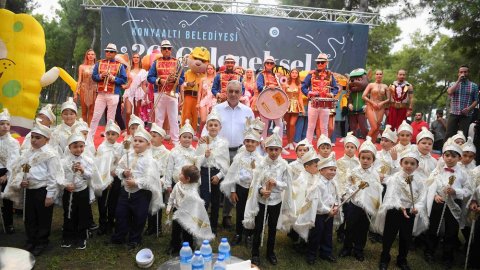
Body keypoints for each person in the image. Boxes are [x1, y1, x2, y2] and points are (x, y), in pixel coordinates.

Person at [3, 119, 64, 256]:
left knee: (43, 217)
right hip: (29, 189)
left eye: (38, 138)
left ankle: (42, 241)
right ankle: (31, 239)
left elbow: (53, 176)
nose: (34, 140)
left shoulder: (50, 155)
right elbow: (23, 169)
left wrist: (50, 195)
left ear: (46, 139)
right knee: (30, 216)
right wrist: (22, 181)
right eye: (32, 137)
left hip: (42, 190)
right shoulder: (28, 153)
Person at [205, 80, 254, 228]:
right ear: (226, 92)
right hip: (219, 152)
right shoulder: (217, 108)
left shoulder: (247, 111)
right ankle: (209, 215)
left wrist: (261, 142)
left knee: (233, 184)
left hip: (240, 151)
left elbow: (252, 131)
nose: (233, 94)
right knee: (214, 182)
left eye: (236, 92)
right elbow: (208, 126)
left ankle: (227, 215)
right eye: (230, 91)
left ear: (241, 93)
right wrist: (203, 139)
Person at [243, 127, 294, 266]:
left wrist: (276, 183)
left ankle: (270, 252)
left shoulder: (284, 166)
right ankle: (255, 253)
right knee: (258, 227)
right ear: (266, 149)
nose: (273, 152)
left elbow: (285, 185)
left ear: (280, 150)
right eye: (270, 149)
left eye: (276, 149)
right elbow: (256, 182)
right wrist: (261, 190)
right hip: (261, 201)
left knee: (272, 228)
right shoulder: (261, 163)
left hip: (275, 202)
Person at [110, 126, 163, 250]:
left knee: (139, 216)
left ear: (148, 144)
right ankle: (120, 235)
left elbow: (150, 179)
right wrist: (124, 173)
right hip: (125, 191)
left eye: (141, 141)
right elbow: (118, 169)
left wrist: (137, 182)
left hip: (141, 193)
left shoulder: (150, 161)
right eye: (135, 140)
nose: (137, 143)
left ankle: (135, 239)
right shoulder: (127, 156)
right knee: (121, 213)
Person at [374, 150, 429, 270]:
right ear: (401, 163)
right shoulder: (395, 178)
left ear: (417, 166)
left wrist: (417, 208)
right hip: (395, 210)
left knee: (406, 237)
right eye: (406, 163)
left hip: (410, 212)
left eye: (412, 163)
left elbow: (422, 197)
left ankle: (402, 259)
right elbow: (392, 194)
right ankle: (385, 257)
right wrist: (400, 206)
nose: (409, 166)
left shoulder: (420, 181)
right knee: (389, 235)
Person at [424, 138, 471, 268]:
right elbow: (428, 184)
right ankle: (429, 251)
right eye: (447, 155)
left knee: (451, 231)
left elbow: (468, 190)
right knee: (434, 227)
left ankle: (447, 256)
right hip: (438, 202)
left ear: (459, 158)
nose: (450, 159)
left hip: (454, 203)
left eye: (453, 156)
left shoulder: (463, 173)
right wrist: (435, 195)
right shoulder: (438, 170)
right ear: (443, 156)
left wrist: (456, 191)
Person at [339, 137, 383, 262]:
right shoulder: (354, 171)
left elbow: (376, 191)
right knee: (350, 226)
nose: (365, 161)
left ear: (373, 160)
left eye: (368, 158)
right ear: (359, 158)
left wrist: (371, 202)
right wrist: (350, 193)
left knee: (362, 229)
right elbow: (348, 185)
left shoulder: (375, 174)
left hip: (366, 207)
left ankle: (359, 249)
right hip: (354, 204)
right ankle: (347, 247)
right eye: (363, 158)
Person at [293, 152, 340, 265]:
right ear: (322, 170)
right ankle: (311, 254)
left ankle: (326, 252)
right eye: (330, 169)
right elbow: (317, 202)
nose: (333, 172)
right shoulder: (317, 184)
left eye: (334, 170)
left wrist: (336, 206)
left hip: (330, 213)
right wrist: (328, 210)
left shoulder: (333, 183)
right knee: (316, 234)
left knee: (328, 233)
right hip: (319, 214)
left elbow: (336, 196)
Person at [220, 128, 262, 246]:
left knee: (252, 211)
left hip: (253, 190)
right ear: (244, 142)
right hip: (241, 188)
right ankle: (238, 233)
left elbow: (261, 176)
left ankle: (249, 234)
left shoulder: (260, 159)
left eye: (252, 141)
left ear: (257, 143)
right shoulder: (239, 157)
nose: (249, 143)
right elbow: (233, 174)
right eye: (247, 141)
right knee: (240, 210)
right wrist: (233, 191)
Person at [59, 131, 100, 250]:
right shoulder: (64, 161)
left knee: (83, 213)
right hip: (69, 191)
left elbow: (91, 176)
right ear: (69, 147)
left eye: (81, 146)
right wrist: (66, 184)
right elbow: (60, 176)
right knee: (68, 213)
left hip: (82, 191)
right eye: (75, 146)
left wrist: (83, 171)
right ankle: (68, 235)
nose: (78, 149)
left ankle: (81, 236)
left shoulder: (87, 160)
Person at [195, 110, 230, 234]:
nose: (213, 127)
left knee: (215, 201)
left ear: (220, 127)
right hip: (205, 173)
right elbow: (197, 159)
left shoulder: (224, 143)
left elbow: (226, 163)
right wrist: (204, 155)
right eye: (211, 125)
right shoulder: (203, 141)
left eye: (216, 125)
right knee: (204, 199)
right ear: (206, 127)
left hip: (216, 174)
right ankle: (203, 224)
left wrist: (219, 176)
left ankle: (213, 225)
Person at [166, 165, 214, 253]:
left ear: (187, 179)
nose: (179, 174)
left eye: (181, 173)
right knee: (175, 230)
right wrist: (169, 206)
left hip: (188, 215)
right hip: (177, 211)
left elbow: (196, 208)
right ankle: (174, 245)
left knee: (187, 231)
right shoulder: (177, 184)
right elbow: (172, 196)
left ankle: (188, 247)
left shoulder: (193, 193)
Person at [147, 40, 185, 144]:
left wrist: (176, 81)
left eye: (168, 48)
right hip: (159, 92)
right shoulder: (156, 62)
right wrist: (160, 81)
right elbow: (150, 77)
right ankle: (157, 140)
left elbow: (182, 79)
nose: (167, 50)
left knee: (173, 119)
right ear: (161, 50)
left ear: (171, 50)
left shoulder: (177, 62)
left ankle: (175, 141)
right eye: (164, 48)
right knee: (159, 119)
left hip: (173, 93)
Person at [90, 43, 128, 138]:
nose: (109, 53)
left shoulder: (120, 65)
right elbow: (94, 77)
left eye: (111, 52)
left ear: (115, 53)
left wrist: (113, 78)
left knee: (110, 119)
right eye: (107, 51)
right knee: (95, 117)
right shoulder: (99, 63)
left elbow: (124, 80)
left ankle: (108, 140)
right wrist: (100, 76)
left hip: (113, 94)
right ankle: (89, 138)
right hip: (101, 93)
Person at [302, 53, 339, 143]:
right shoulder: (311, 74)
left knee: (324, 127)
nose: (319, 64)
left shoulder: (330, 75)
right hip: (313, 103)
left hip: (325, 104)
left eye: (322, 62)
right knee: (311, 126)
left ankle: (324, 146)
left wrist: (331, 94)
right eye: (318, 62)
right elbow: (303, 86)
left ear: (326, 63)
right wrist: (309, 92)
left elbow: (336, 88)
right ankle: (308, 147)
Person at [95, 120, 123, 236]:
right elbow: (99, 164)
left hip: (115, 178)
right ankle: (102, 223)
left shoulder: (120, 147)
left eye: (113, 134)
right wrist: (106, 178)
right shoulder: (102, 147)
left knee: (113, 202)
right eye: (108, 134)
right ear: (105, 134)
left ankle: (111, 222)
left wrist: (115, 172)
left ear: (118, 135)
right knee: (102, 203)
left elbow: (121, 163)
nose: (110, 136)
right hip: (103, 178)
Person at [145, 123, 169, 236]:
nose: (151, 138)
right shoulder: (147, 150)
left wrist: (162, 181)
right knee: (149, 203)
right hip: (148, 179)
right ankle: (150, 226)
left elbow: (168, 170)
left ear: (162, 138)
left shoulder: (166, 153)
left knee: (157, 203)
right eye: (151, 135)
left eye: (155, 136)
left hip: (159, 181)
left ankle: (157, 227)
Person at [0, 109, 20, 234]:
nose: (5, 126)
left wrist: (6, 175)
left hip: (7, 173)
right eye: (2, 123)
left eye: (7, 124)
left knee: (7, 200)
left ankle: (9, 223)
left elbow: (15, 160)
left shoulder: (14, 142)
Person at [445, 65, 479, 140]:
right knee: (449, 134)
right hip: (453, 113)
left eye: (465, 72)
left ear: (468, 73)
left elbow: (476, 100)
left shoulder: (474, 86)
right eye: (461, 72)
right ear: (458, 74)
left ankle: (460, 151)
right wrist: (458, 81)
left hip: (466, 115)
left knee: (462, 135)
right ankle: (446, 151)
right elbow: (450, 92)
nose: (463, 73)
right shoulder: (453, 84)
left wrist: (469, 109)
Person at [164, 120, 196, 193]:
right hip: (176, 181)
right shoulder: (174, 151)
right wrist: (168, 184)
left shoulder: (194, 152)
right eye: (184, 137)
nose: (187, 139)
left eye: (189, 137)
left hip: (190, 182)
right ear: (179, 138)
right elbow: (169, 168)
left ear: (192, 139)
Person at [256, 56, 284, 141]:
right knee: (264, 125)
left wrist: (282, 103)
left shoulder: (276, 75)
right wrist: (268, 87)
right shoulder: (261, 75)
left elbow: (280, 88)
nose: (269, 64)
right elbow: (259, 87)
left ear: (273, 65)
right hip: (265, 101)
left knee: (280, 124)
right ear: (264, 64)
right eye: (267, 63)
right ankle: (262, 146)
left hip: (276, 102)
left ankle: (279, 145)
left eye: (271, 63)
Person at [363, 69, 390, 141]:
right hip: (371, 106)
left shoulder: (385, 86)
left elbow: (389, 99)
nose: (379, 75)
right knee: (374, 127)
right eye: (377, 74)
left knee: (377, 127)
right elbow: (364, 96)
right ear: (375, 75)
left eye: (380, 74)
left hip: (381, 107)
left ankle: (373, 144)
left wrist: (382, 103)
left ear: (382, 75)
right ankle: (367, 143)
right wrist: (372, 102)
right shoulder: (371, 85)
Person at [124, 53, 148, 128]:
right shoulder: (128, 70)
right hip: (129, 91)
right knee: (128, 112)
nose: (136, 58)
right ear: (132, 59)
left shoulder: (143, 71)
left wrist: (146, 95)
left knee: (136, 113)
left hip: (138, 92)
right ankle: (128, 132)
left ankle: (135, 131)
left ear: (140, 59)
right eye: (134, 57)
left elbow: (143, 84)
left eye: (137, 57)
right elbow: (125, 81)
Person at [74, 49, 97, 125]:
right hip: (84, 89)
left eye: (92, 54)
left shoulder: (97, 66)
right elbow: (79, 80)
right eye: (89, 54)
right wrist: (76, 92)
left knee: (91, 111)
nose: (90, 56)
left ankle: (89, 130)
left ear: (95, 56)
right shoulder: (82, 66)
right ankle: (83, 128)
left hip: (94, 90)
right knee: (84, 111)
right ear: (86, 56)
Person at [283, 69, 304, 151]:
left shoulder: (299, 85)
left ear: (298, 75)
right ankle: (289, 142)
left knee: (292, 124)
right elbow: (282, 95)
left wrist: (302, 108)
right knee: (287, 125)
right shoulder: (285, 84)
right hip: (286, 105)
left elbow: (300, 97)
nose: (294, 74)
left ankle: (291, 142)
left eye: (296, 73)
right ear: (290, 74)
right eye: (293, 72)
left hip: (295, 106)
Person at [347, 68, 369, 139]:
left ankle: (366, 140)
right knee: (352, 127)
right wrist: (349, 104)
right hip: (352, 111)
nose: (354, 82)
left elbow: (368, 98)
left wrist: (366, 105)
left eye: (358, 80)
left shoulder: (365, 91)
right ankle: (352, 140)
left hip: (361, 111)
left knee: (363, 127)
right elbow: (350, 99)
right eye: (352, 80)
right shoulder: (352, 93)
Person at [198, 64, 217, 134]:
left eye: (211, 68)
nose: (210, 70)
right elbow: (199, 92)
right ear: (206, 70)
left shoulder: (216, 78)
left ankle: (208, 134)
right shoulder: (202, 79)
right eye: (208, 68)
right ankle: (199, 134)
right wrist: (197, 102)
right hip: (204, 100)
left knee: (211, 120)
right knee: (203, 120)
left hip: (213, 100)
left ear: (214, 70)